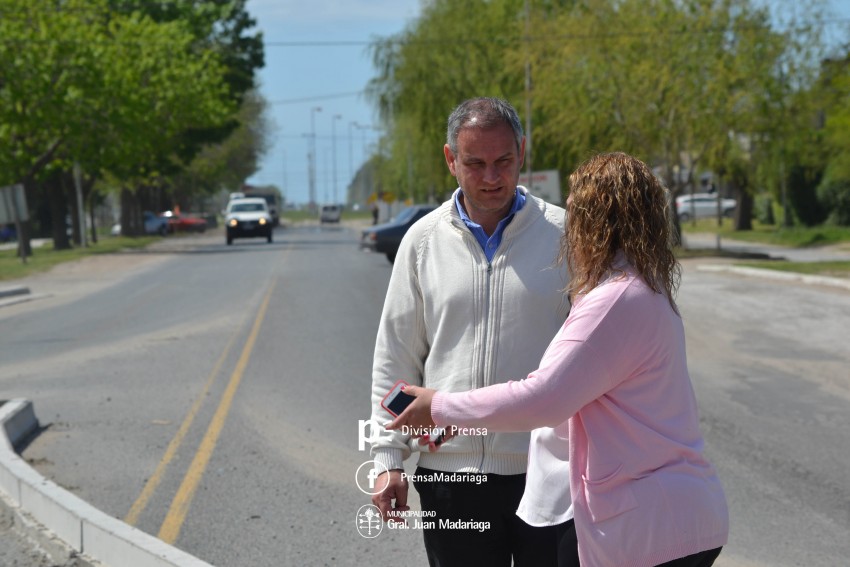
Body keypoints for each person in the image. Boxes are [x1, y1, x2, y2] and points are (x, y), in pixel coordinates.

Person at [388, 152, 730, 567]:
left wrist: (439, 407)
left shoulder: (615, 301)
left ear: (592, 223)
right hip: (672, 515)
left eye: (576, 214)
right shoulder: (641, 289)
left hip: (645, 526)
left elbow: (544, 399)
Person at [368, 97, 570, 567]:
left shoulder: (568, 236)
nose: (492, 177)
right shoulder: (421, 241)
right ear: (450, 159)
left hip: (550, 474)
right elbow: (395, 358)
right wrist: (387, 459)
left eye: (504, 161)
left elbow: (600, 356)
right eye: (475, 163)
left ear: (522, 152)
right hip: (451, 478)